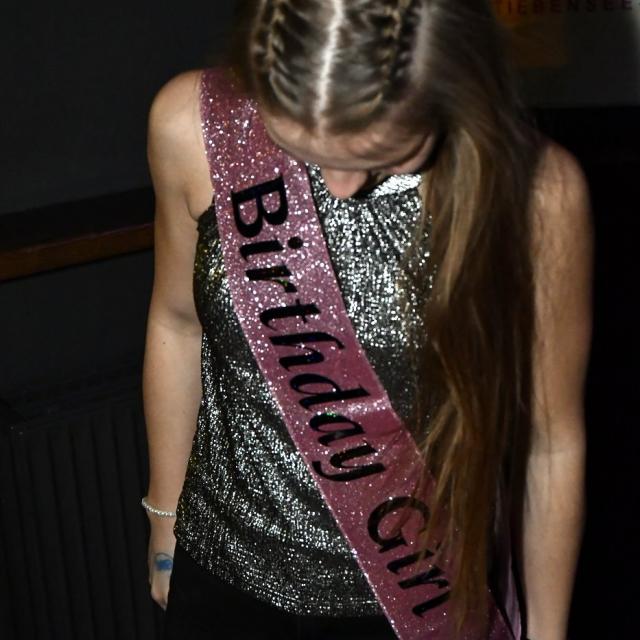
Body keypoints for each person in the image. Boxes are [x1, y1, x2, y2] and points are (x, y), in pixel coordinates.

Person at [142, 1, 591, 639]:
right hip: (222, 577)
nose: (342, 187)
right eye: (301, 146)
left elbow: (551, 444)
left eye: (386, 152)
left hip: (422, 598)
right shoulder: (192, 124)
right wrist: (163, 526)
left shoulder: (534, 195)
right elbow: (176, 324)